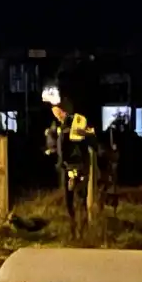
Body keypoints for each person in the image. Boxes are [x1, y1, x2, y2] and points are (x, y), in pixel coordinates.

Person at [44, 95, 98, 236]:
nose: (56, 115)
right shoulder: (57, 126)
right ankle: (73, 227)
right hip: (65, 166)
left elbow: (89, 138)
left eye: (58, 112)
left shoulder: (78, 122)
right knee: (68, 198)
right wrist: (52, 148)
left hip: (79, 164)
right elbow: (53, 141)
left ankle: (84, 228)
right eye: (55, 112)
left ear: (64, 110)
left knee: (81, 197)